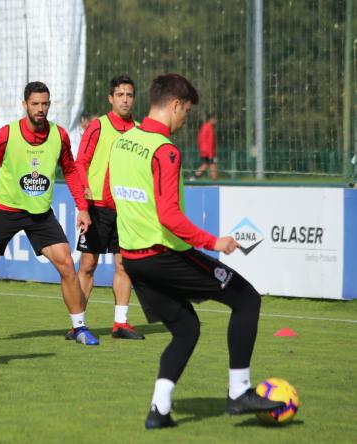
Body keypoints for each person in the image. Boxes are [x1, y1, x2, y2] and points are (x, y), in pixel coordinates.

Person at [108, 74, 285, 429]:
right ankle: (239, 392)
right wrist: (212, 241)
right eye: (186, 112)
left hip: (134, 261)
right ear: (174, 105)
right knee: (247, 299)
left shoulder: (124, 143)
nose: (185, 119)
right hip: (164, 256)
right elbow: (169, 215)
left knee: (187, 329)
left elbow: (112, 194)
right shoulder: (165, 150)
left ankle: (159, 410)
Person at [0, 81, 100, 346]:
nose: (40, 108)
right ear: (24, 104)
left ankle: (79, 328)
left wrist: (82, 207)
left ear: (50, 104)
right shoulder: (6, 135)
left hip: (40, 213)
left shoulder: (59, 135)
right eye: (35, 104)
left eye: (44, 103)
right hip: (5, 210)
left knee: (66, 264)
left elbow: (70, 170)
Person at [73, 74, 144, 340]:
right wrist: (84, 196)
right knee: (88, 265)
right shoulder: (98, 126)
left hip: (126, 209)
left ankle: (120, 323)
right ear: (110, 98)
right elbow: (81, 162)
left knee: (124, 265)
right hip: (97, 207)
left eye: (129, 95)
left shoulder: (139, 131)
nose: (125, 100)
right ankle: (77, 323)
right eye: (120, 95)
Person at [191, 113, 218, 180]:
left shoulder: (204, 126)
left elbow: (199, 139)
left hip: (204, 150)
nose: (217, 120)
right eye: (215, 119)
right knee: (213, 165)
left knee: (206, 164)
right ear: (211, 119)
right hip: (209, 151)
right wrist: (211, 153)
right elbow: (210, 142)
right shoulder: (210, 128)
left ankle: (194, 177)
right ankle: (215, 182)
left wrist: (202, 149)